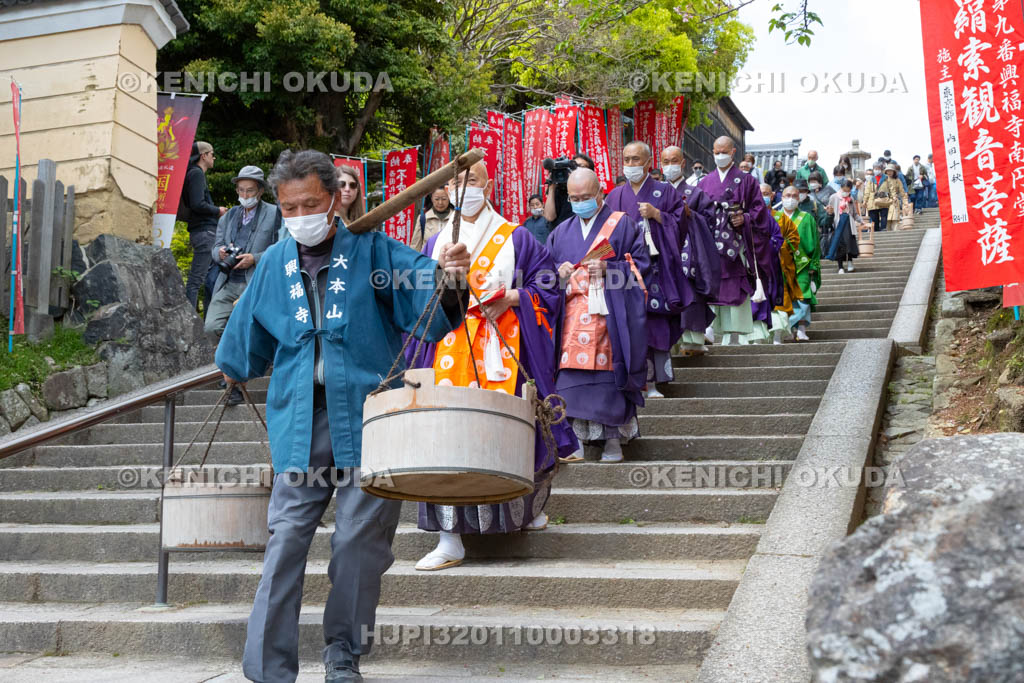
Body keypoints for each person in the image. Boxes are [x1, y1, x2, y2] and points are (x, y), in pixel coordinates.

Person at [217, 149, 471, 683]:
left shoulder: (376, 251)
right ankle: (267, 668)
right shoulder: (271, 265)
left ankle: (343, 653)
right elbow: (242, 349)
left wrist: (451, 278)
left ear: (335, 198)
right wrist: (232, 369)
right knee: (285, 541)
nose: (299, 215)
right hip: (298, 424)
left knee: (360, 541)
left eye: (311, 203)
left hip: (369, 421)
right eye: (288, 208)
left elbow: (432, 303)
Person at [409, 160, 578, 570]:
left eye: (472, 180)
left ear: (490, 184)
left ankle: (520, 512)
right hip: (449, 347)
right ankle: (450, 537)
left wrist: (514, 299)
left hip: (503, 348)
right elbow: (416, 297)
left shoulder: (515, 236)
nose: (462, 188)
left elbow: (548, 284)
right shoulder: (435, 244)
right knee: (446, 435)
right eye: (454, 181)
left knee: (508, 431)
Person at [547, 168, 650, 463]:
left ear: (600, 193)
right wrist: (558, 274)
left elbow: (641, 268)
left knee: (608, 379)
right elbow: (541, 274)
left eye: (585, 197)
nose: (580, 203)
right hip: (570, 319)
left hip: (610, 316)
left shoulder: (623, 225)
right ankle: (574, 441)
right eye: (574, 198)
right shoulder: (561, 232)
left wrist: (611, 269)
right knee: (570, 379)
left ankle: (613, 442)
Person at [606, 141, 687, 396]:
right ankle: (631, 382)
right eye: (627, 159)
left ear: (649, 163)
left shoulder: (664, 192)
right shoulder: (615, 195)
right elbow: (605, 231)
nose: (631, 165)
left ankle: (653, 382)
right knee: (627, 324)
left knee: (654, 323)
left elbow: (682, 224)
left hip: (657, 269)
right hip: (625, 271)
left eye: (636, 159)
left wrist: (658, 214)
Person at [205, 166, 281, 406]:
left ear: (259, 191)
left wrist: (254, 258)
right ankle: (232, 367)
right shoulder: (228, 216)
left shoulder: (274, 213)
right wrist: (220, 253)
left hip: (256, 283)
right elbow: (214, 247)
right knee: (211, 326)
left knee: (245, 328)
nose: (245, 194)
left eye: (250, 190)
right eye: (241, 190)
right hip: (227, 282)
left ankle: (235, 381)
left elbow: (281, 246)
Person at [698, 136, 782, 346]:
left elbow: (759, 212)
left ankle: (736, 335)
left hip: (736, 246)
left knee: (735, 287)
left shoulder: (747, 181)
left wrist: (744, 218)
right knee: (710, 285)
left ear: (733, 152)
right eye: (716, 152)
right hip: (711, 245)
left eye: (724, 151)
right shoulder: (704, 182)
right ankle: (709, 329)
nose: (719, 156)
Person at [182, 141, 226, 311]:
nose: (213, 157)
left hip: (203, 232)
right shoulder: (196, 174)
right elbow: (197, 204)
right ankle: (190, 321)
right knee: (196, 280)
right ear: (204, 156)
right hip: (205, 231)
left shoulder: (192, 174)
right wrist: (218, 210)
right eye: (211, 153)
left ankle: (206, 320)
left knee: (211, 278)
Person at [774, 185, 819, 342]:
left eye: (794, 195)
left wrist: (814, 266)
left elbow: (815, 244)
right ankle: (786, 328)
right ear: (781, 197)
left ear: (799, 198)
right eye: (787, 195)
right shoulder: (775, 217)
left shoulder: (807, 218)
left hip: (802, 264)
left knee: (803, 296)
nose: (791, 198)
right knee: (785, 297)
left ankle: (801, 328)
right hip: (780, 264)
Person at [769, 191, 805, 345]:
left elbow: (793, 239)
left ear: (771, 196)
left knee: (780, 301)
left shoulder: (780, 217)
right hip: (757, 268)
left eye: (765, 193)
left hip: (779, 266)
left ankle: (778, 334)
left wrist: (779, 246)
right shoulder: (749, 216)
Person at [543, 153, 596, 228]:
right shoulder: (559, 188)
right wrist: (551, 187)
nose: (577, 169)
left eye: (581, 166)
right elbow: (549, 217)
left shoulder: (594, 189)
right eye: (574, 166)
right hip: (561, 233)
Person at [823, 179, 864, 273]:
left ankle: (850, 262)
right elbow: (830, 211)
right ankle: (840, 266)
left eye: (847, 190)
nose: (845, 192)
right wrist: (829, 212)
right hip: (838, 222)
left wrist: (861, 221)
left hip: (849, 223)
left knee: (849, 243)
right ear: (840, 188)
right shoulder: (834, 197)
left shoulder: (851, 199)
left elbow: (854, 213)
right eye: (844, 190)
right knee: (839, 245)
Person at [863, 163, 906, 232]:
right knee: (874, 218)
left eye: (878, 169)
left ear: (882, 170)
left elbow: (891, 188)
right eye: (875, 169)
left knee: (884, 215)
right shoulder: (871, 179)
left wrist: (894, 196)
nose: (877, 170)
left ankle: (883, 229)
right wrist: (865, 200)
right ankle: (876, 230)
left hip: (884, 199)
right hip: (872, 200)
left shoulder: (886, 178)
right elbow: (867, 190)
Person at [410, 187, 452, 252]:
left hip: (450, 260)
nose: (440, 203)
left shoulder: (457, 218)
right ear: (431, 198)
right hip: (428, 261)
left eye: (444, 199)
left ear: (449, 198)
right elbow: (415, 247)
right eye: (436, 199)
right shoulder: (423, 219)